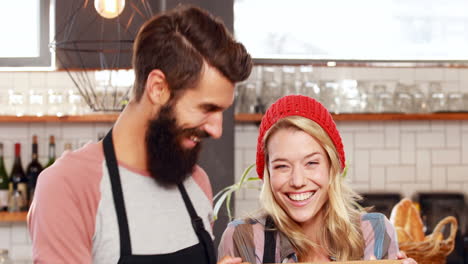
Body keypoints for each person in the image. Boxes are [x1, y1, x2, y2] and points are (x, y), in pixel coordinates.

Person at [28, 5, 252, 264]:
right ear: (158, 88)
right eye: (207, 108)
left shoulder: (196, 182)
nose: (217, 129)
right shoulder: (69, 186)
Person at [218, 95, 416, 263]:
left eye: (311, 163)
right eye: (282, 166)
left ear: (332, 166)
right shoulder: (244, 238)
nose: (297, 181)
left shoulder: (374, 231)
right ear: (268, 174)